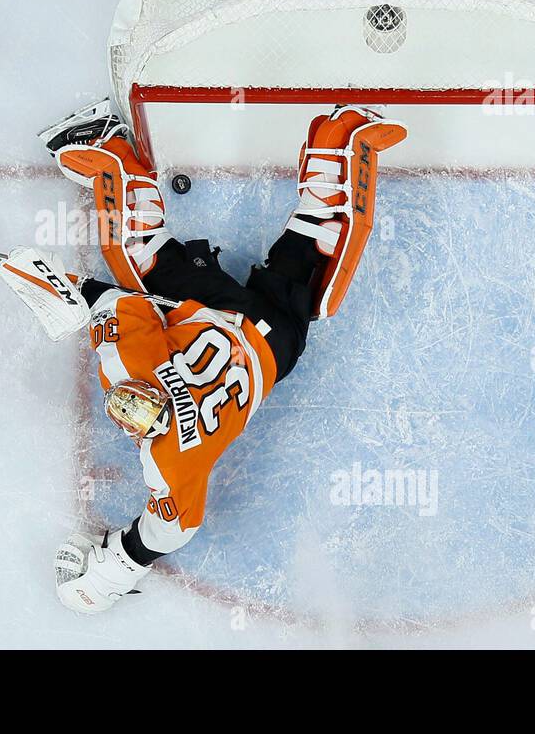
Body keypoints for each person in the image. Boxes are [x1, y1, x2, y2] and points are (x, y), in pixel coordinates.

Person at [40, 98, 405, 613]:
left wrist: (121, 565)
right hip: (216, 315)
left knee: (304, 264)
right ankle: (109, 146)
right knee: (139, 258)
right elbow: (122, 306)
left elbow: (172, 531)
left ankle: (331, 167)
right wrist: (68, 293)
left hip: (272, 341)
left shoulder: (177, 462)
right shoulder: (153, 431)